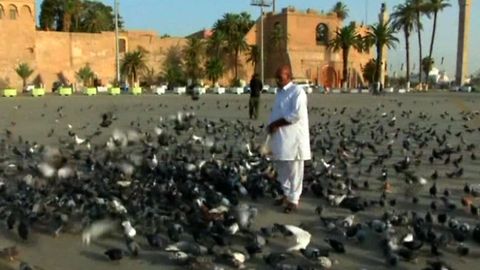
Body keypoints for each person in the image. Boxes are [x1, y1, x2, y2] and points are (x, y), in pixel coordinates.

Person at [267, 65, 311, 213]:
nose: (278, 81)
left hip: (294, 140)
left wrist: (276, 123)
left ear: (289, 77)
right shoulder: (279, 93)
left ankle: (294, 199)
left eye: (280, 78)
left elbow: (296, 115)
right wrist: (270, 125)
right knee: (282, 168)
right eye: (276, 78)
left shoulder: (297, 92)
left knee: (295, 170)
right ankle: (286, 194)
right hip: (280, 139)